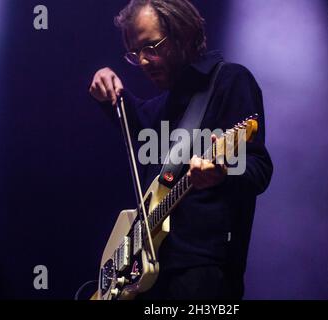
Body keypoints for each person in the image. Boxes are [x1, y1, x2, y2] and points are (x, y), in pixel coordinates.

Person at [89, 0, 273, 300]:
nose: (144, 61)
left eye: (152, 46)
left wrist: (222, 174)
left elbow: (259, 168)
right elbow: (135, 126)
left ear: (183, 35)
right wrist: (107, 92)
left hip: (201, 274)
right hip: (148, 275)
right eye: (136, 54)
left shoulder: (230, 81)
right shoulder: (162, 106)